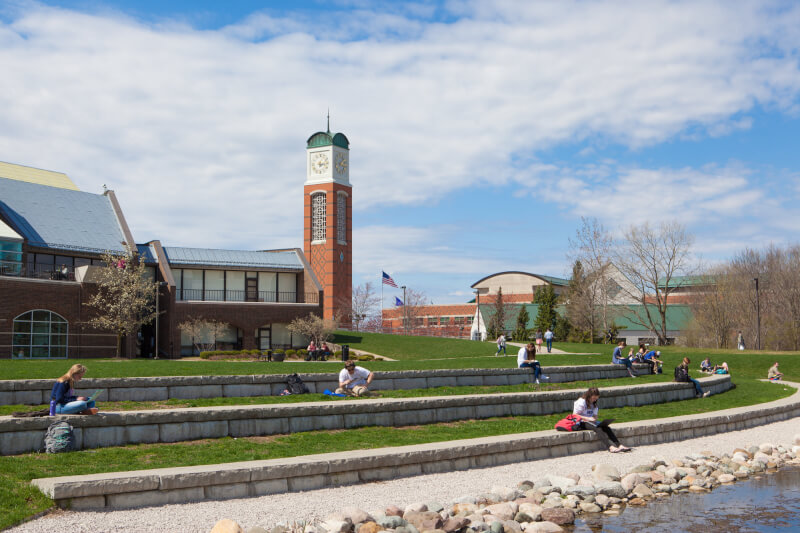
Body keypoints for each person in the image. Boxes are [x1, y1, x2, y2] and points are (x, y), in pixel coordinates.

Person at [572, 387, 630, 453]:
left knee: (606, 427)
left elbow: (595, 415)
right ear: (589, 396)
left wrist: (595, 418)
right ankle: (610, 447)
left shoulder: (594, 403)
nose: (594, 400)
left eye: (596, 398)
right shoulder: (581, 402)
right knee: (598, 428)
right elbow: (575, 415)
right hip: (581, 422)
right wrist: (587, 418)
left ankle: (619, 445)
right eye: (593, 398)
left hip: (591, 421)